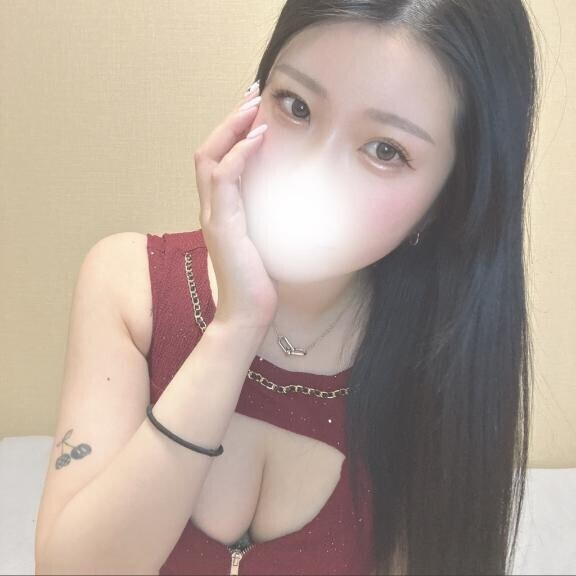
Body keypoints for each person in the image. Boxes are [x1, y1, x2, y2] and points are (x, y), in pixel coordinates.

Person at [35, 1, 540, 574]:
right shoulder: (130, 287)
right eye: (296, 106)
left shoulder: (439, 365)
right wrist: (235, 328)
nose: (312, 169)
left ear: (445, 202)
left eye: (386, 150)